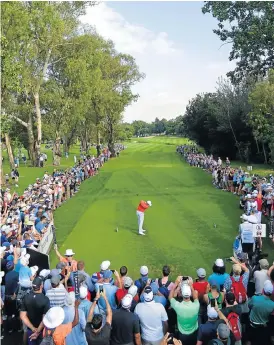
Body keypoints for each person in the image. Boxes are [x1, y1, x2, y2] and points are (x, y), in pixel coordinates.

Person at [169, 277, 199, 345]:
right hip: (194, 334)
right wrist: (191, 286)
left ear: (182, 294)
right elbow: (195, 297)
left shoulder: (178, 306)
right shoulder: (196, 305)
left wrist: (175, 285)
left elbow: (170, 298)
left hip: (182, 335)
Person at [20, 277, 50, 344]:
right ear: (41, 286)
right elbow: (44, 318)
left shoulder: (26, 297)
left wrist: (33, 328)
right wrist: (38, 331)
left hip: (31, 330)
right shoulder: (45, 299)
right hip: (42, 330)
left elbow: (22, 316)